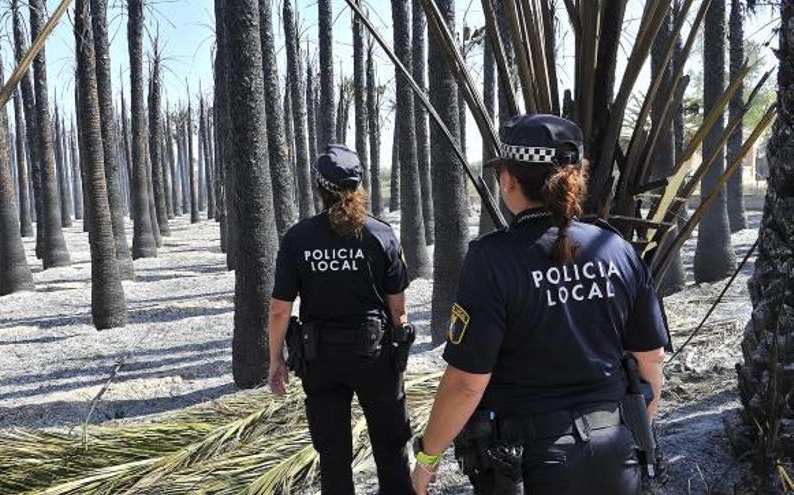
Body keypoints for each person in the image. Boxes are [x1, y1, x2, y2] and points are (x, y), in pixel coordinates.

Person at [410, 114, 667, 495]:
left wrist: (427, 460)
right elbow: (651, 361)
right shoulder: (617, 250)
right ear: (576, 178)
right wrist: (633, 429)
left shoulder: (491, 260)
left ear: (508, 180)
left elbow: (466, 384)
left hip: (531, 465)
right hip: (616, 450)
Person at [267, 144, 417, 495]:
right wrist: (399, 356)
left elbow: (279, 308)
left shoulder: (298, 238)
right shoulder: (381, 234)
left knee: (333, 458)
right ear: (359, 187)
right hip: (376, 356)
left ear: (318, 188)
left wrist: (276, 360)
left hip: (320, 359)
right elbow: (398, 309)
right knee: (392, 450)